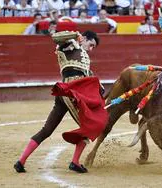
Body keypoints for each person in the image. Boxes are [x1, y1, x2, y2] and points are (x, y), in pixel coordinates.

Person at [14, 30, 107, 174]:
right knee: (90, 125)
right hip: (71, 93)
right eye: (91, 44)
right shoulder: (71, 44)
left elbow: (87, 76)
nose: (91, 48)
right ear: (84, 39)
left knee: (47, 130)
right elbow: (56, 37)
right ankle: (75, 162)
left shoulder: (84, 57)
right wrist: (75, 35)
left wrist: (99, 87)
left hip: (65, 93)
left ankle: (21, 161)